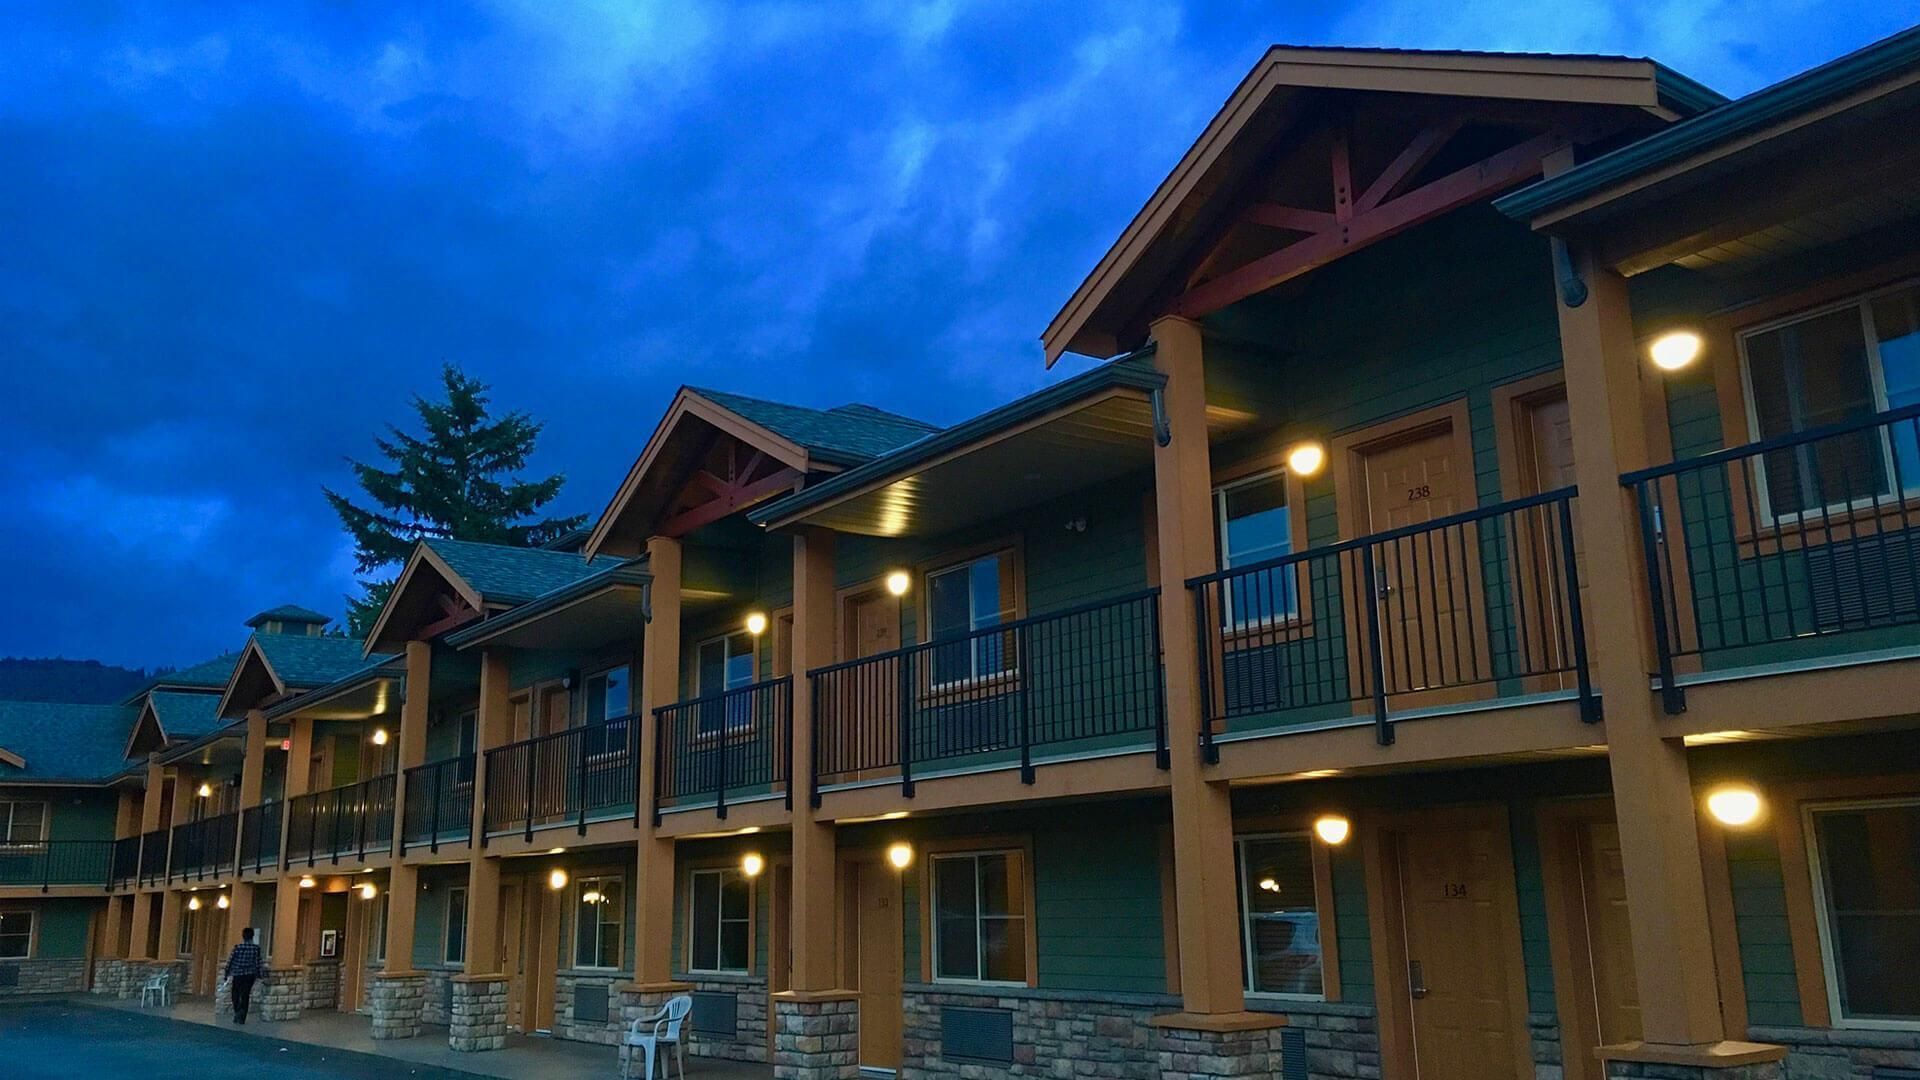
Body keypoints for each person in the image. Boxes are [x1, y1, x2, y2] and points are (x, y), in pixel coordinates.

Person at [223, 926, 264, 1023]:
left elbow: (230, 961)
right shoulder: (256, 948)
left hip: (238, 974)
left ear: (243, 936)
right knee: (245, 995)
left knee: (235, 993)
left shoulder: (238, 947)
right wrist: (260, 974)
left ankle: (237, 1011)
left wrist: (227, 973)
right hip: (250, 974)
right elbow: (258, 962)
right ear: (252, 936)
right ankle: (242, 1017)